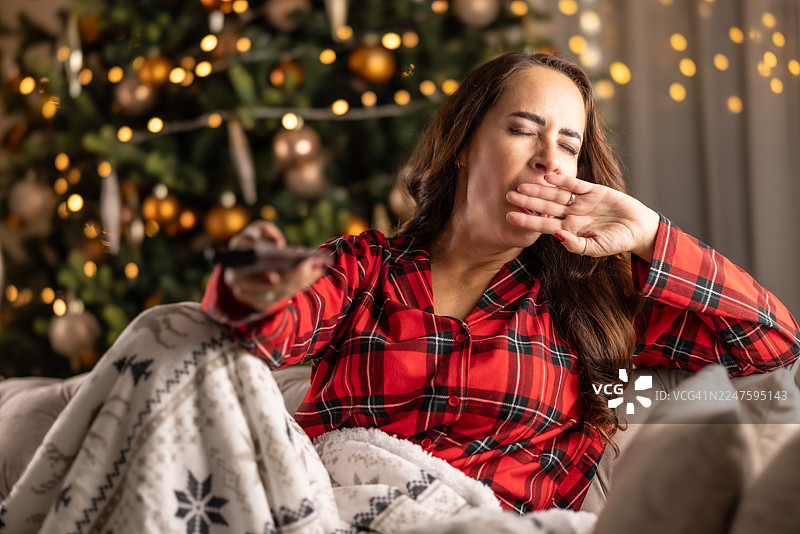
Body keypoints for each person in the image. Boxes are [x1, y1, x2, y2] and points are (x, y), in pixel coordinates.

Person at [202, 51, 800, 514]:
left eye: (569, 144)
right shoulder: (365, 271)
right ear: (463, 146)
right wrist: (253, 281)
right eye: (523, 129)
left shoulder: (595, 312)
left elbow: (774, 351)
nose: (549, 158)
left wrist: (650, 234)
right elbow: (256, 331)